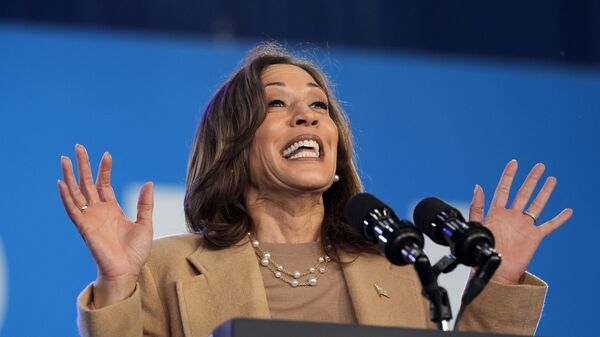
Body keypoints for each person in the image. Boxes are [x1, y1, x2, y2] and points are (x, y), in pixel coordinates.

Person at [58, 43, 572, 337]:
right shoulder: (167, 269)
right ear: (234, 145)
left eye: (319, 106)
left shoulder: (397, 265)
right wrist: (118, 282)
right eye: (277, 105)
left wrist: (498, 280)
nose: (306, 114)